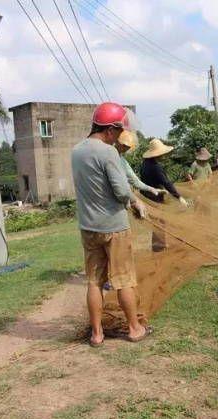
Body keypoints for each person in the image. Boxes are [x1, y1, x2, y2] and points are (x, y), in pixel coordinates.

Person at [71, 102, 152, 347]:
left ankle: (97, 334)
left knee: (94, 281)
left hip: (88, 227)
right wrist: (136, 203)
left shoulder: (76, 151)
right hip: (114, 228)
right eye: (118, 132)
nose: (118, 137)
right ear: (109, 129)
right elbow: (120, 190)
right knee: (124, 279)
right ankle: (135, 328)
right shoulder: (108, 152)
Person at [139, 138, 188, 251]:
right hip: (155, 198)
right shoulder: (155, 167)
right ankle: (159, 247)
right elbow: (166, 183)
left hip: (147, 197)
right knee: (160, 223)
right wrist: (178, 197)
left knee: (157, 223)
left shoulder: (145, 164)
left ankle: (159, 245)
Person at [115, 130, 165, 197]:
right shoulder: (107, 153)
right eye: (124, 145)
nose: (126, 148)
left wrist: (151, 189)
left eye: (128, 146)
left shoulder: (123, 161)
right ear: (117, 141)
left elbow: (135, 180)